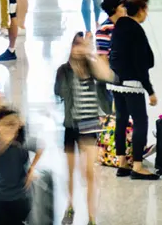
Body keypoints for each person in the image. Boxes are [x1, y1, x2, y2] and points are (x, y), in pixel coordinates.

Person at [53, 32, 113, 225]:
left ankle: (91, 217)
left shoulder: (92, 67)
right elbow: (59, 92)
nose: (79, 48)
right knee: (71, 171)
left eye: (82, 45)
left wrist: (92, 54)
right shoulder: (63, 70)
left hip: (89, 124)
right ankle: (70, 206)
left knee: (89, 172)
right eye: (76, 45)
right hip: (71, 125)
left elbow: (109, 75)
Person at [108, 0, 160, 179]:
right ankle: (137, 166)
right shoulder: (136, 30)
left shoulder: (119, 26)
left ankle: (122, 163)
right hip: (131, 81)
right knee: (140, 121)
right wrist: (150, 90)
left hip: (115, 81)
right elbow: (141, 64)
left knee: (121, 120)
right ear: (141, 10)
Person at [0, 109, 42, 225]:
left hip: (19, 198)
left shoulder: (22, 143)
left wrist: (32, 168)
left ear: (16, 129)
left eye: (11, 128)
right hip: (0, 198)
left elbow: (40, 147)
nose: (7, 131)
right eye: (4, 126)